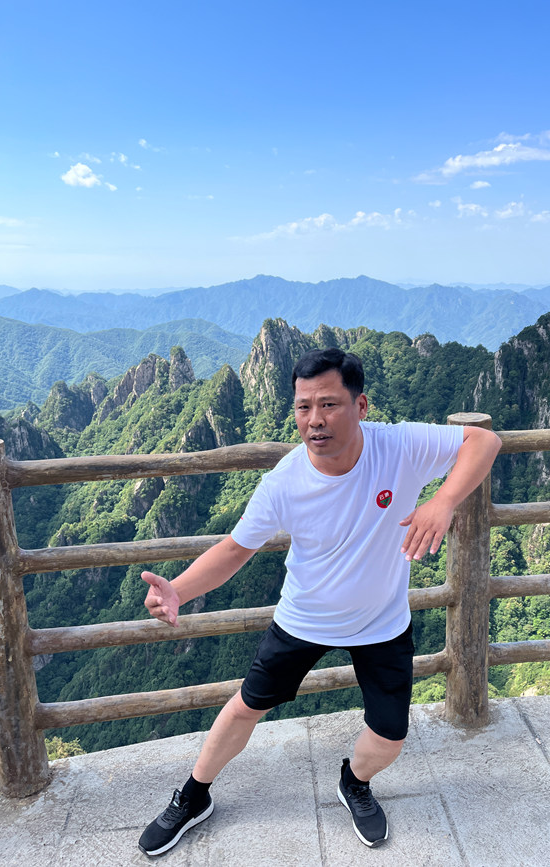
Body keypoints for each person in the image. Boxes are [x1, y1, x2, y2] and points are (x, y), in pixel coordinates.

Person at [138, 348, 501, 856]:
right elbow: (235, 550)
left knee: (390, 737)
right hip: (303, 618)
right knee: (246, 707)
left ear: (360, 406)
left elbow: (484, 440)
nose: (315, 420)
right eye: (303, 407)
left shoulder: (398, 446)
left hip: (382, 622)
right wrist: (179, 590)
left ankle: (354, 781)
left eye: (328, 404)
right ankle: (194, 796)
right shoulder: (284, 483)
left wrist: (442, 501)